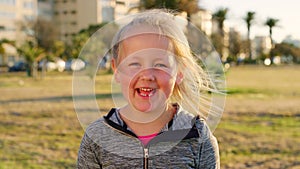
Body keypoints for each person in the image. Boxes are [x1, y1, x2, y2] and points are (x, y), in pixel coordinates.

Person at [77, 9, 220, 169]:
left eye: (160, 64)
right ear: (116, 70)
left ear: (180, 72)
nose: (147, 75)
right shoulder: (97, 136)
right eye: (134, 64)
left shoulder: (197, 135)